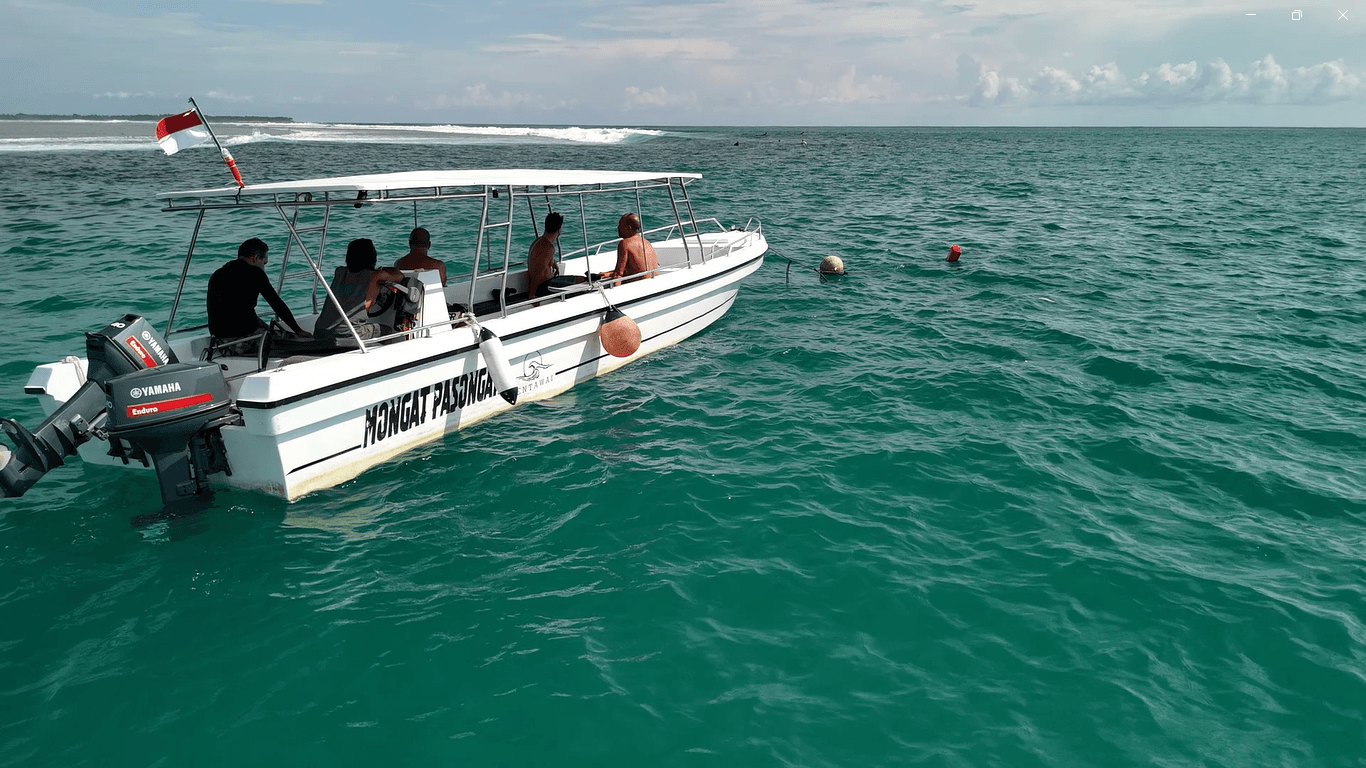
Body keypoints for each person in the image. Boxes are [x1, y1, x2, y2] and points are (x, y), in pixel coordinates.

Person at [206, 238, 311, 347]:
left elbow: (235, 309)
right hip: (243, 341)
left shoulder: (217, 274)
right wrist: (298, 330)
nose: (264, 268)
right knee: (301, 342)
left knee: (267, 330)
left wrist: (264, 326)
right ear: (255, 258)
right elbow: (276, 304)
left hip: (219, 343)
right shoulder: (255, 273)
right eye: (264, 263)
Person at [314, 238, 404, 342]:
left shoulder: (339, 271)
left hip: (320, 331)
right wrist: (386, 270)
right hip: (347, 333)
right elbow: (399, 276)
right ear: (372, 256)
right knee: (386, 330)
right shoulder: (376, 275)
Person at [597, 213, 658, 284]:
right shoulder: (646, 242)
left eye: (620, 225)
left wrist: (614, 288)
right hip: (653, 282)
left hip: (638, 285)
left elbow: (618, 274)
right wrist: (609, 274)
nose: (618, 228)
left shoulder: (625, 243)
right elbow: (639, 269)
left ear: (628, 227)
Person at [528, 212, 565, 298]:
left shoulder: (537, 241)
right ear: (559, 230)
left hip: (543, 285)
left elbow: (541, 263)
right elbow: (538, 273)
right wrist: (532, 295)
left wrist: (553, 263)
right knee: (579, 281)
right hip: (543, 288)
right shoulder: (548, 247)